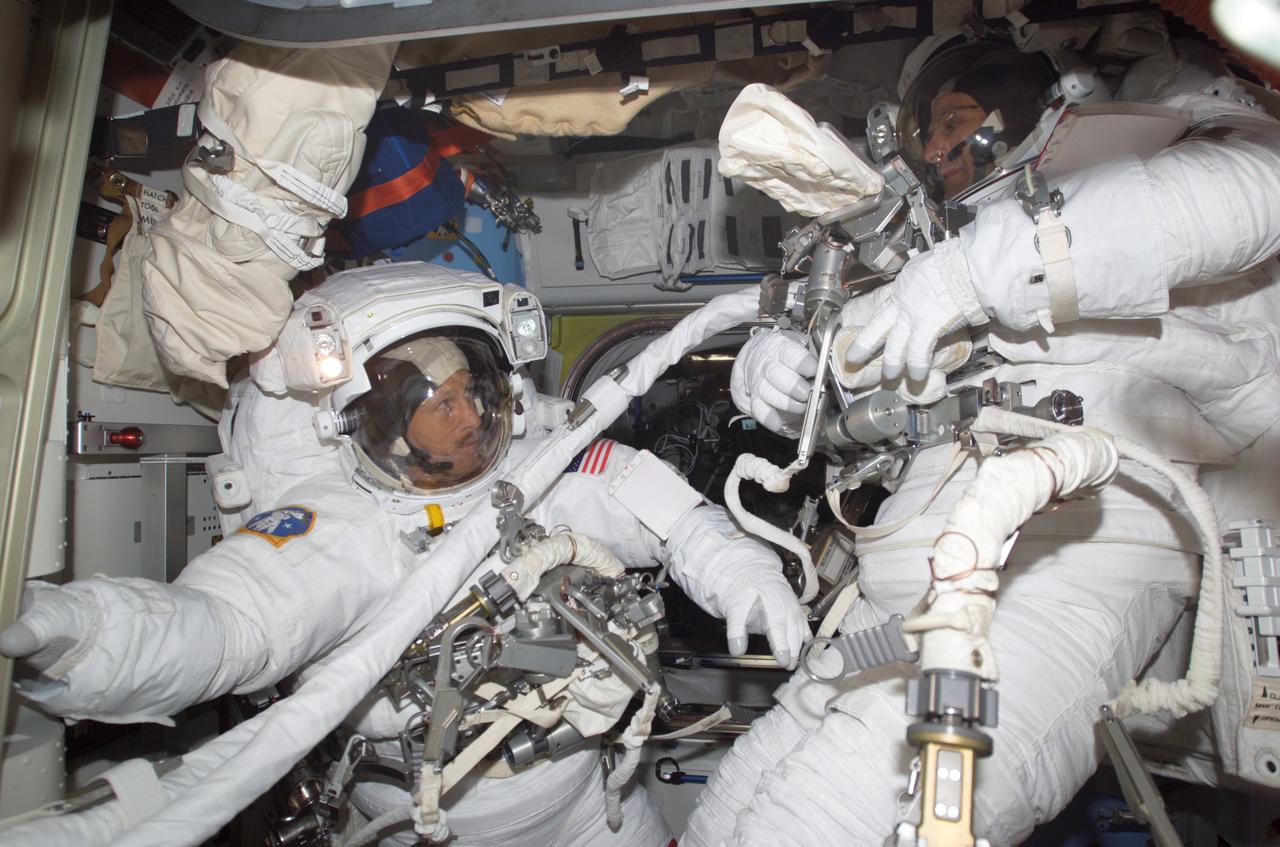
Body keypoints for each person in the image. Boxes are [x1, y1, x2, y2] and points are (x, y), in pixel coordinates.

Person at [687, 35, 1280, 847]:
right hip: (904, 592)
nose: (937, 147)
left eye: (958, 119)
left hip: (1070, 568)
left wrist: (978, 269)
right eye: (926, 130)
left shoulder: (1140, 181)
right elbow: (860, 356)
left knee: (809, 826)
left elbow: (1249, 191)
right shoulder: (937, 262)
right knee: (726, 815)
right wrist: (786, 372)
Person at [0, 262, 809, 846]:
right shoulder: (343, 529)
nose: (465, 414)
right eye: (437, 401)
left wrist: (739, 567)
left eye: (473, 390)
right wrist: (76, 634)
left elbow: (656, 505)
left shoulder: (539, 470)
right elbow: (217, 630)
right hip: (437, 825)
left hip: (590, 803)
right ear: (375, 419)